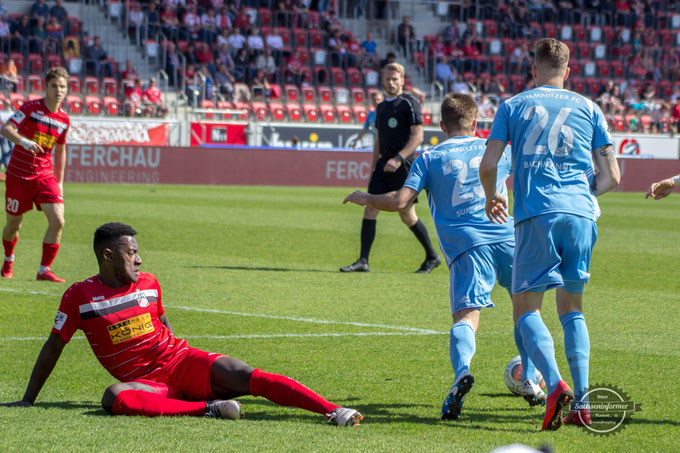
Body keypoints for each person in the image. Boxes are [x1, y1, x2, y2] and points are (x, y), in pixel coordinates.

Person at [2, 222, 363, 427]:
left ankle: (332, 410)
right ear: (108, 255)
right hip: (148, 385)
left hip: (182, 363)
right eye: (132, 252)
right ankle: (207, 409)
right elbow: (54, 345)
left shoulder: (150, 283)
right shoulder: (79, 296)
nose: (140, 259)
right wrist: (28, 400)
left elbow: (161, 319)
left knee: (246, 374)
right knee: (114, 397)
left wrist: (181, 350)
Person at [343, 93, 545, 420]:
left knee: (466, 317)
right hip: (509, 239)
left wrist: (363, 196)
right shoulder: (498, 151)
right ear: (475, 123)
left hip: (467, 246)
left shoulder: (429, 158)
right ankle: (531, 381)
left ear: (441, 125)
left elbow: (399, 202)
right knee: (525, 311)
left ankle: (462, 372)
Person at [479, 38, 621, 431]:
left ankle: (554, 385)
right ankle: (585, 401)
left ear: (533, 68)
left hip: (536, 214)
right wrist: (577, 196)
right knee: (572, 309)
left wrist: (493, 196)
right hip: (580, 215)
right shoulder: (590, 108)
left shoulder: (512, 106)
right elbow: (613, 177)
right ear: (568, 71)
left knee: (527, 309)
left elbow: (489, 163)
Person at [340, 62, 440, 274]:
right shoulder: (381, 107)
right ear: (383, 80)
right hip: (382, 165)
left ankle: (432, 256)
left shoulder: (409, 103)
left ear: (402, 80)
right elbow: (378, 140)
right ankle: (363, 261)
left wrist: (398, 157)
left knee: (406, 214)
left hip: (402, 165)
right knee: (370, 208)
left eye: (395, 79)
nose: (391, 83)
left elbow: (418, 136)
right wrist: (374, 164)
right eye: (388, 79)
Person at [1, 67, 71, 282]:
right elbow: (6, 128)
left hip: (44, 175)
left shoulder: (64, 120)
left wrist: (59, 182)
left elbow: (60, 150)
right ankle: (8, 259)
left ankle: (44, 270)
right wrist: (23, 141)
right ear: (46, 87)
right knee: (14, 225)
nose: (58, 90)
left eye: (62, 87)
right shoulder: (31, 108)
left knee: (58, 220)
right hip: (19, 175)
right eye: (54, 86)